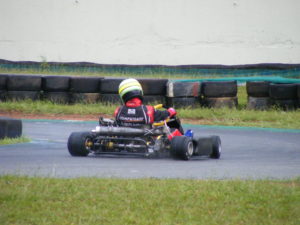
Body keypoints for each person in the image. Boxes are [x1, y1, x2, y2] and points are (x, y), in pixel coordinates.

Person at [114, 78, 183, 138]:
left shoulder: (118, 111)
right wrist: (171, 110)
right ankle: (184, 139)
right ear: (139, 91)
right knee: (173, 127)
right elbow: (166, 114)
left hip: (124, 139)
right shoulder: (148, 110)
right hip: (146, 139)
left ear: (122, 95)